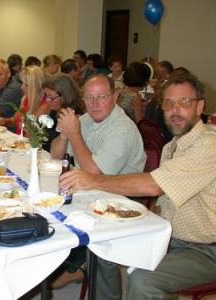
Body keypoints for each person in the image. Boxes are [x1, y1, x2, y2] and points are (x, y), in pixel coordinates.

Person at [59, 73, 216, 300]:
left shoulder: (209, 146)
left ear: (200, 106)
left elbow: (153, 186)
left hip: (207, 249)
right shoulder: (173, 146)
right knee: (104, 244)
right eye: (169, 103)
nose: (175, 110)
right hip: (170, 234)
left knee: (143, 280)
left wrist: (92, 180)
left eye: (184, 102)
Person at [49, 74, 146, 291]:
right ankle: (71, 264)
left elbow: (94, 172)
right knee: (44, 207)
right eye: (89, 98)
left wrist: (74, 134)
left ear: (115, 96)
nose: (95, 104)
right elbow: (55, 157)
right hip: (87, 190)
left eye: (102, 97)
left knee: (96, 239)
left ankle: (84, 270)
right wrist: (65, 135)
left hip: (118, 201)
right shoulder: (85, 120)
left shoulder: (123, 129)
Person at [0, 66, 50, 134]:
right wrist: (5, 121)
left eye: (26, 84)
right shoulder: (26, 99)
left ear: (35, 87)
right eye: (22, 83)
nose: (22, 87)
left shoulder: (44, 106)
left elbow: (34, 136)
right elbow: (15, 120)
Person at [42, 74, 85, 152]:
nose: (47, 100)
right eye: (45, 96)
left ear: (65, 96)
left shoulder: (76, 118)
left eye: (51, 97)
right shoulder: (55, 111)